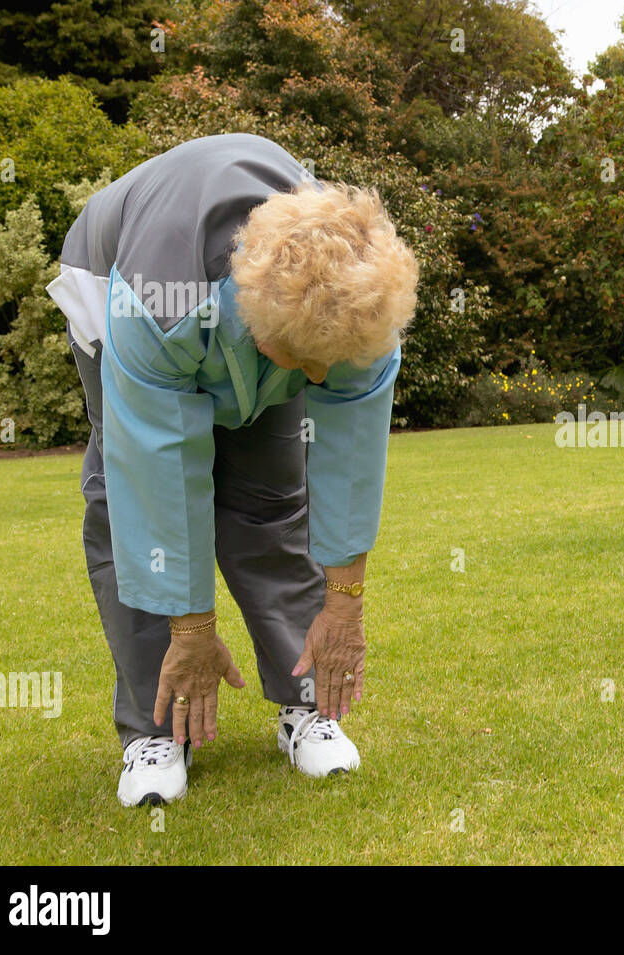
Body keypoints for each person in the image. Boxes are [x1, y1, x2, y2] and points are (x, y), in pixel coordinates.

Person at [47, 133, 419, 804]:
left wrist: (346, 603)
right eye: (305, 360)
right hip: (121, 288)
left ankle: (306, 703)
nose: (315, 378)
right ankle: (153, 728)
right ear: (261, 325)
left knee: (273, 496)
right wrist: (190, 629)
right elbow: (156, 475)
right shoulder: (156, 303)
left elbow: (351, 457)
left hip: (257, 313)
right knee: (121, 500)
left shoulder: (356, 305)